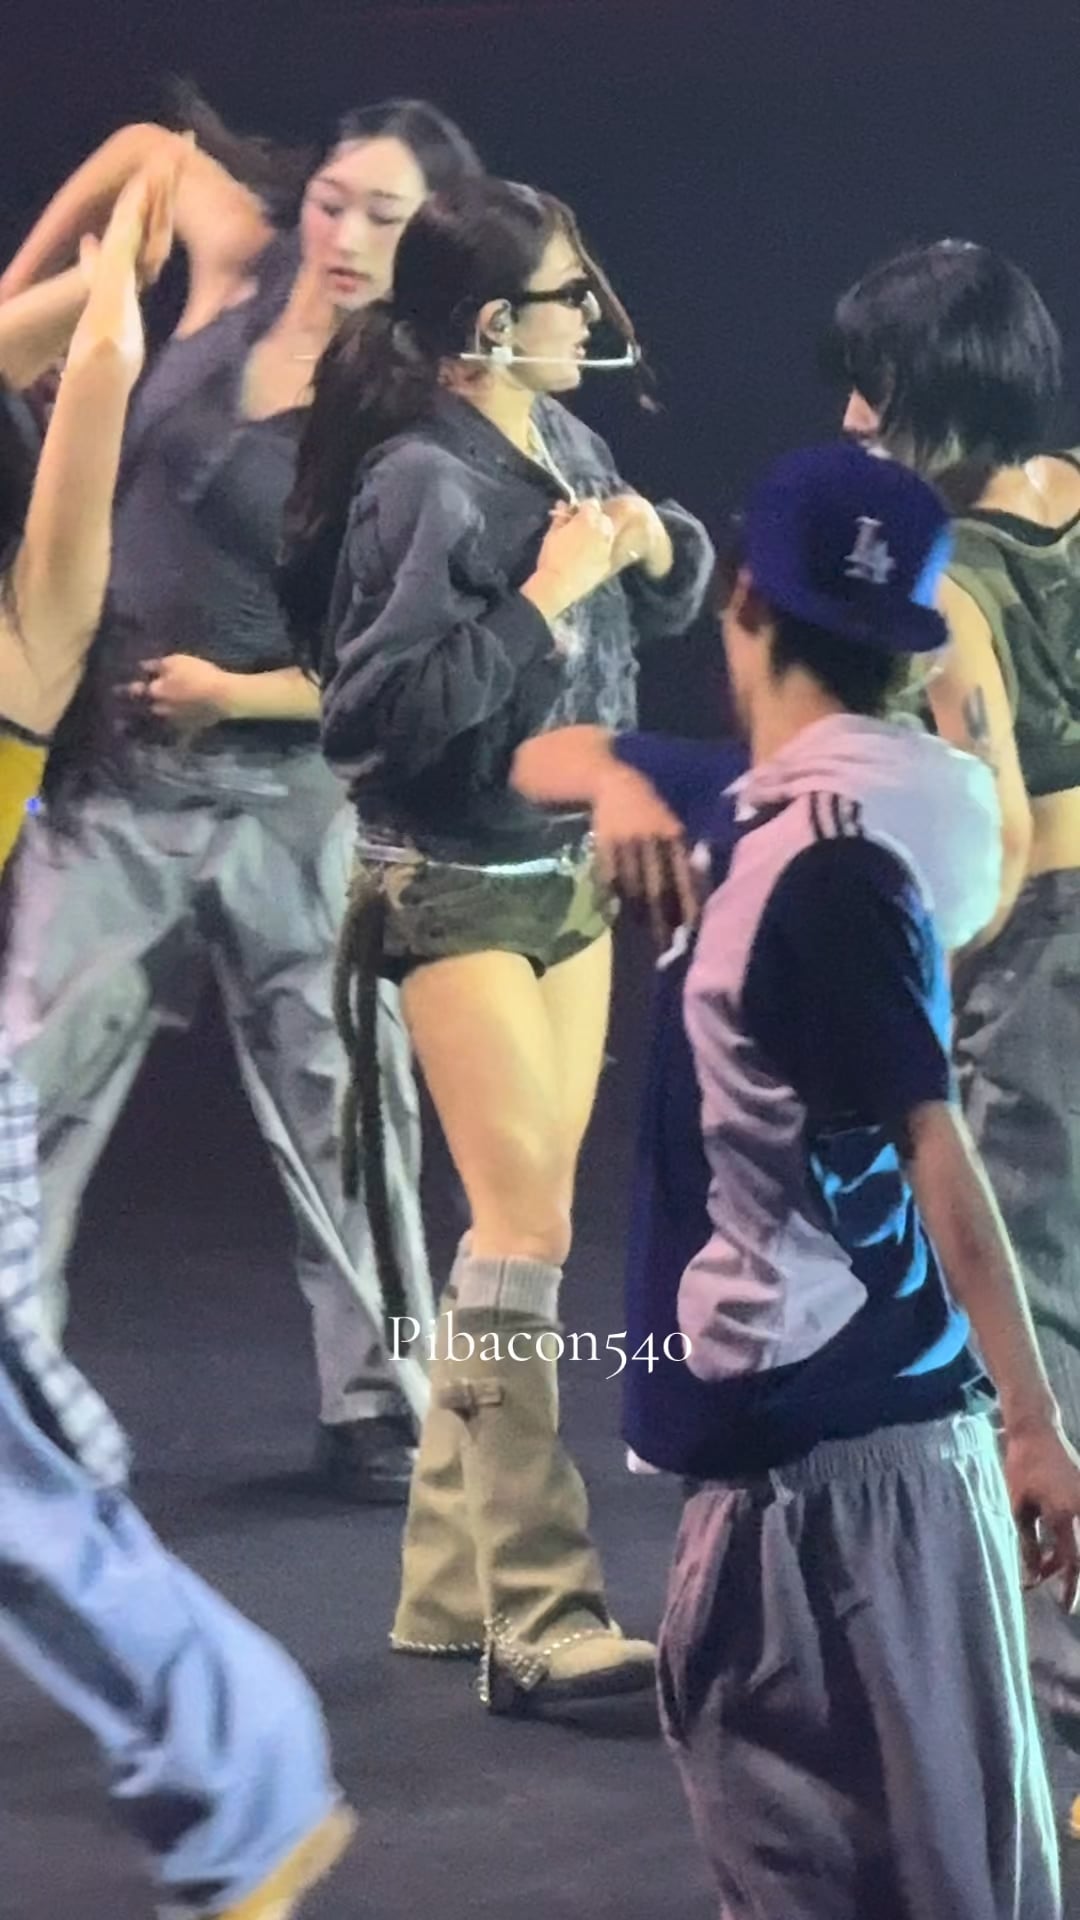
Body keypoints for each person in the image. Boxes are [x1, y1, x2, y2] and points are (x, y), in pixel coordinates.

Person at [0, 93, 484, 1503]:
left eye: (384, 218)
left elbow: (400, 652)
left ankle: (377, 1400)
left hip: (296, 794)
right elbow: (148, 148)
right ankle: (14, 1388)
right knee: (25, 1086)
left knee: (348, 1103)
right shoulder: (239, 262)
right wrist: (43, 300)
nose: (343, 235)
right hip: (122, 783)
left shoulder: (421, 404)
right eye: (332, 199)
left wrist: (236, 693)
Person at [281, 175, 714, 1710]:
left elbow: (652, 614)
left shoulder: (567, 441)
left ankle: (448, 1585)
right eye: (563, 296)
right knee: (523, 1229)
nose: (589, 315)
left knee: (517, 1238)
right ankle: (539, 1608)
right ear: (487, 324)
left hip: (565, 879)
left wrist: (659, 551)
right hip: (450, 882)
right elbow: (372, 718)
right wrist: (542, 595)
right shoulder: (422, 481)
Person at [0, 155, 352, 1920]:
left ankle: (251, 1781)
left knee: (23, 1496)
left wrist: (104, 325)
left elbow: (83, 390)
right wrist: (105, 262)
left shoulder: (22, 653)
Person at [830, 239, 1080, 1828]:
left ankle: (1060, 1724)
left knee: (1037, 1333)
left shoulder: (938, 570)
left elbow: (995, 837)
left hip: (1048, 971)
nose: (852, 419)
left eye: (871, 388)